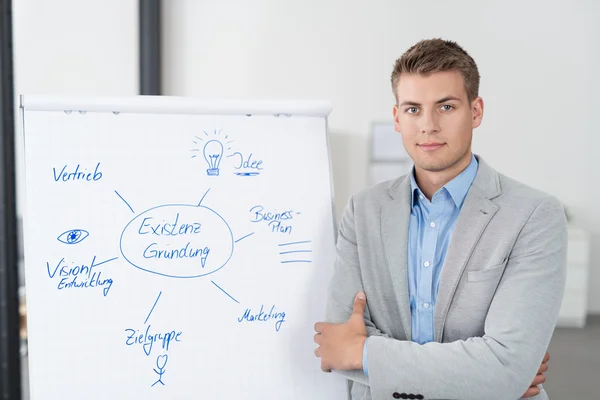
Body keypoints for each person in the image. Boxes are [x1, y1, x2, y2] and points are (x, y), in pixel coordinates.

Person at [313, 38, 566, 400]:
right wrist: (481, 374)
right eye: (413, 109)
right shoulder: (363, 210)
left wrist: (364, 352)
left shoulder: (534, 215)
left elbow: (506, 369)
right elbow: (337, 344)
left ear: (476, 111)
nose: (428, 125)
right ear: (398, 117)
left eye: (446, 107)